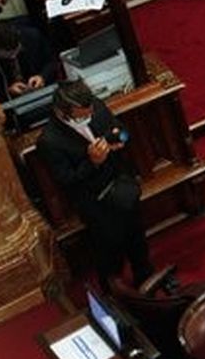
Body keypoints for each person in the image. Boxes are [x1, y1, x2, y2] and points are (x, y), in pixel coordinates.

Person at [36, 80, 151, 282]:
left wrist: (121, 139)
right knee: (110, 253)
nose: (88, 118)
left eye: (89, 113)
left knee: (138, 240)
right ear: (63, 113)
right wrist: (93, 162)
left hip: (121, 186)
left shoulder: (96, 107)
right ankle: (115, 294)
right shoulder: (50, 140)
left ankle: (146, 278)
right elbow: (66, 180)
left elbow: (121, 130)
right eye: (82, 116)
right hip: (96, 203)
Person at [0, 20, 58, 102]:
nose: (13, 56)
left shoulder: (33, 37)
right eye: (8, 54)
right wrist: (8, 90)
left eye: (16, 51)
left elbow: (51, 61)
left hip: (43, 90)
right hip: (11, 100)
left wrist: (42, 76)